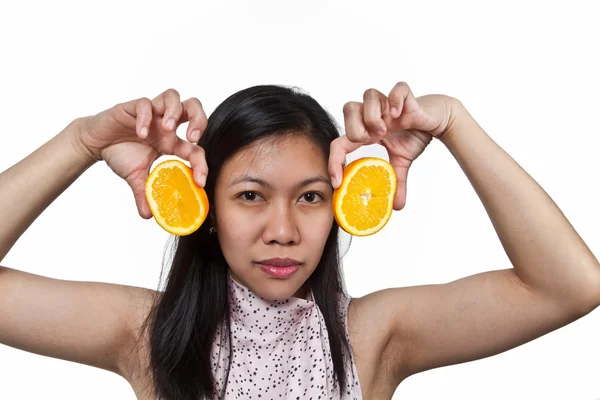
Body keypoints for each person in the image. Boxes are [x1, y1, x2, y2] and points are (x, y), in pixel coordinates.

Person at [0, 82, 598, 400]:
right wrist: (80, 142)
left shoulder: (373, 337)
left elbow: (570, 287)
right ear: (206, 209)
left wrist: (454, 124)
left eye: (310, 197)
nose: (283, 232)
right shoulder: (147, 335)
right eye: (251, 196)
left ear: (338, 204)